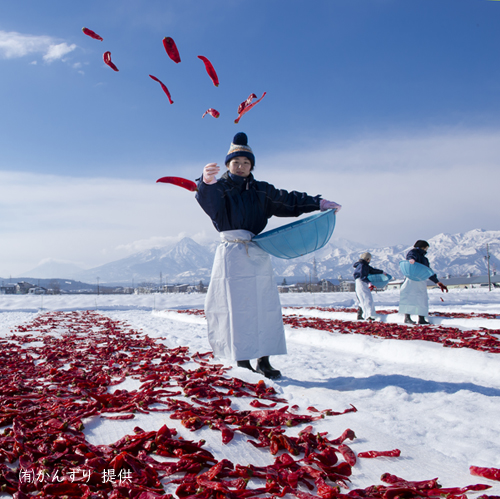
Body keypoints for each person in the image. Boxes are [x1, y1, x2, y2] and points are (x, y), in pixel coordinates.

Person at [195, 132, 341, 379]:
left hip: (258, 250)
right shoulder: (220, 189)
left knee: (264, 307)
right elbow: (209, 204)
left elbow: (289, 201)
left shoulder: (262, 190)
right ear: (228, 165)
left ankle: (264, 359)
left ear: (252, 166)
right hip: (231, 253)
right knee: (236, 307)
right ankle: (242, 359)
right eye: (235, 163)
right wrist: (205, 184)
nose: (241, 167)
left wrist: (317, 203)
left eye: (246, 163)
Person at [399, 240, 448, 325]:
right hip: (411, 279)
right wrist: (411, 260)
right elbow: (411, 256)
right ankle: (407, 318)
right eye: (426, 248)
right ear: (422, 247)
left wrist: (437, 282)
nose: (426, 250)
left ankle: (421, 318)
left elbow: (428, 272)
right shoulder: (414, 252)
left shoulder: (425, 259)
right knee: (409, 298)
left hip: (421, 280)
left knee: (422, 299)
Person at [353, 252, 386, 321]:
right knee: (367, 299)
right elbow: (362, 276)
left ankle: (361, 315)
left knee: (363, 299)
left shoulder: (363, 265)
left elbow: (372, 270)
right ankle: (369, 316)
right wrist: (369, 282)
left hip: (361, 282)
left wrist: (382, 272)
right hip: (361, 282)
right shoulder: (362, 265)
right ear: (367, 259)